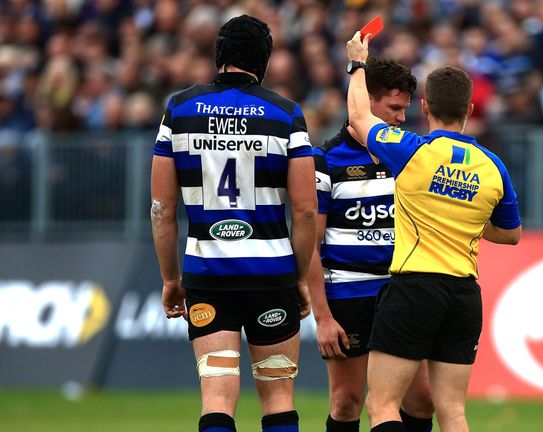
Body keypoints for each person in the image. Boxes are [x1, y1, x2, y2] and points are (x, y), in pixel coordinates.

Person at [344, 32, 522, 432]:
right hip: (463, 295)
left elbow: (359, 119)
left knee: (384, 404)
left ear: (424, 107)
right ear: (470, 109)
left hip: (414, 288)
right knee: (454, 411)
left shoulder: (412, 150)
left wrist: (357, 63)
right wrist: (463, 214)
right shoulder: (494, 166)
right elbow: (511, 235)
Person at [150, 15, 316, 432]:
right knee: (278, 397)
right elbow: (306, 211)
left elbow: (162, 209)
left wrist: (171, 278)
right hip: (271, 272)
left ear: (219, 55)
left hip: (207, 273)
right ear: (264, 61)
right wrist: (299, 278)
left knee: (217, 395)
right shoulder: (285, 114)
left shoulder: (179, 109)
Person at [310, 57, 434, 432]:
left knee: (422, 402)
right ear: (364, 100)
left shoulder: (409, 153)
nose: (400, 117)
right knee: (347, 403)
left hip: (401, 290)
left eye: (405, 109)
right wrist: (323, 317)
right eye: (393, 108)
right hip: (348, 295)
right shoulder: (325, 160)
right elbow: (309, 246)